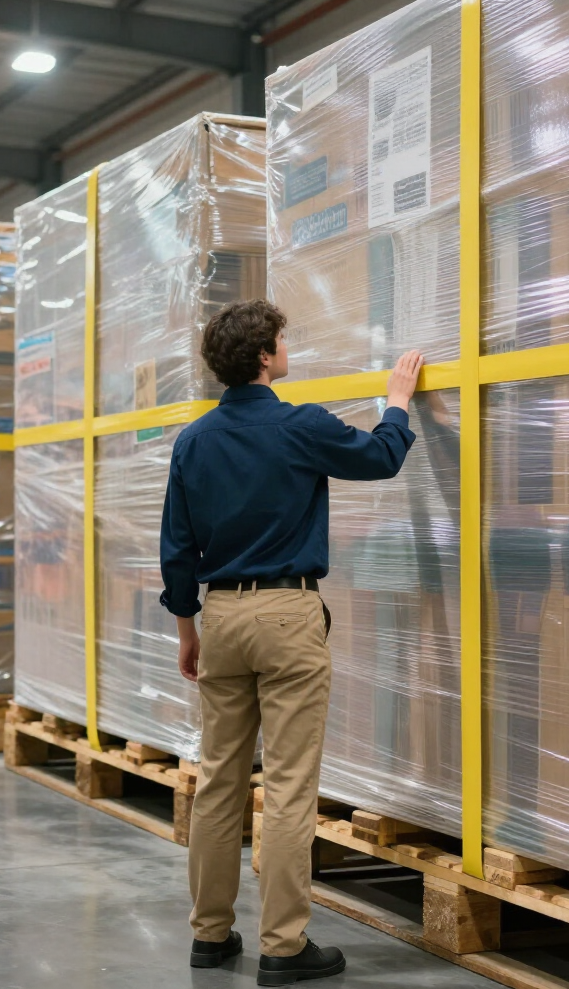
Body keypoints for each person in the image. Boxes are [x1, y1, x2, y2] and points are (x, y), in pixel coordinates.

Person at [159, 299, 423, 986]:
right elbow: (381, 457)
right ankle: (283, 945)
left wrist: (188, 629)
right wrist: (397, 402)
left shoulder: (194, 441)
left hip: (218, 618)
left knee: (218, 780)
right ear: (265, 357)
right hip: (286, 615)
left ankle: (210, 936)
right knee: (287, 785)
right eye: (282, 337)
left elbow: (177, 551)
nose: (286, 344)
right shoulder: (299, 426)